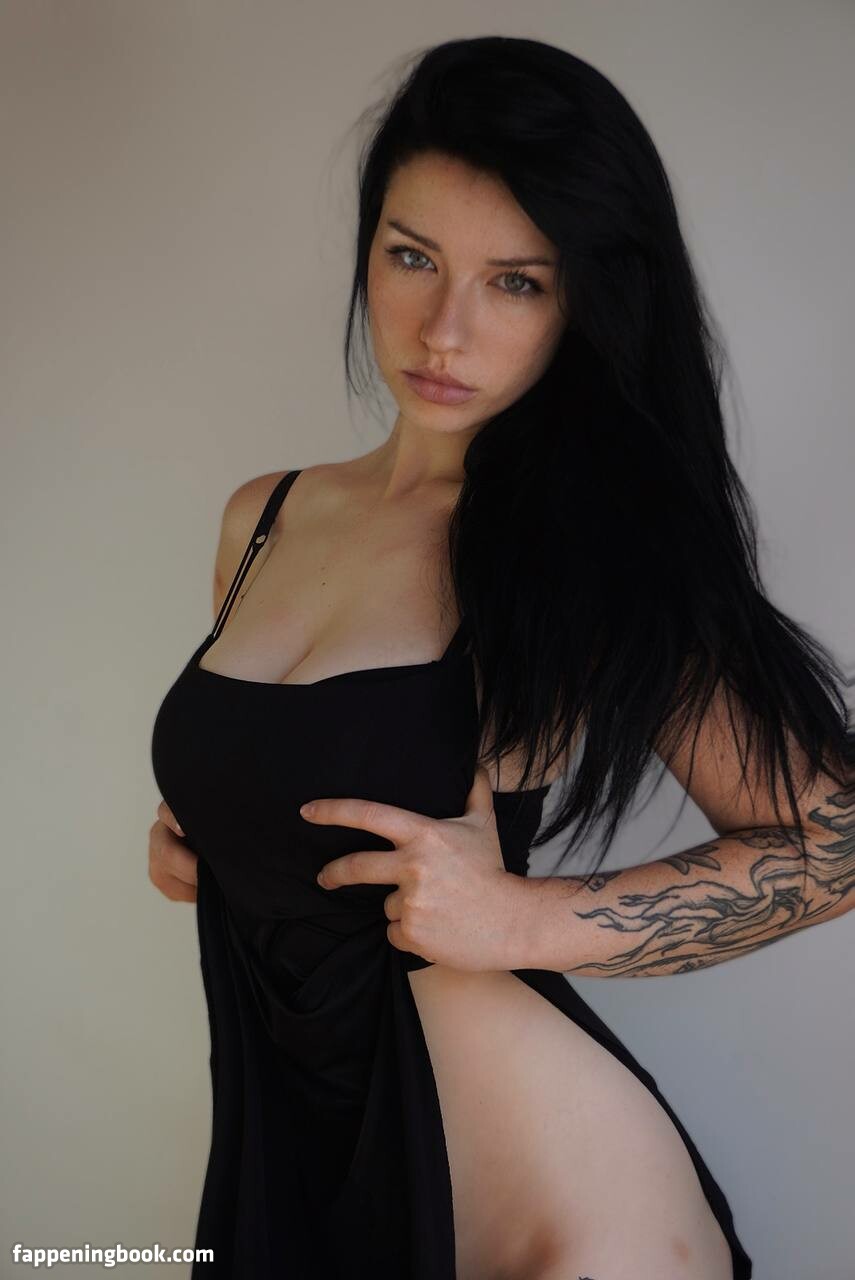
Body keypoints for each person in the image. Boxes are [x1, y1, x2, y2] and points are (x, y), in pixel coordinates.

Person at [149, 36, 852, 1280]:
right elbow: (287, 773)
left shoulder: (594, 546)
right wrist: (218, 828)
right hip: (300, 1168)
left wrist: (527, 916)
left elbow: (835, 842)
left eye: (515, 281)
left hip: (557, 1217)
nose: (445, 328)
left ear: (582, 299)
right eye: (413, 256)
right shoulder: (264, 517)